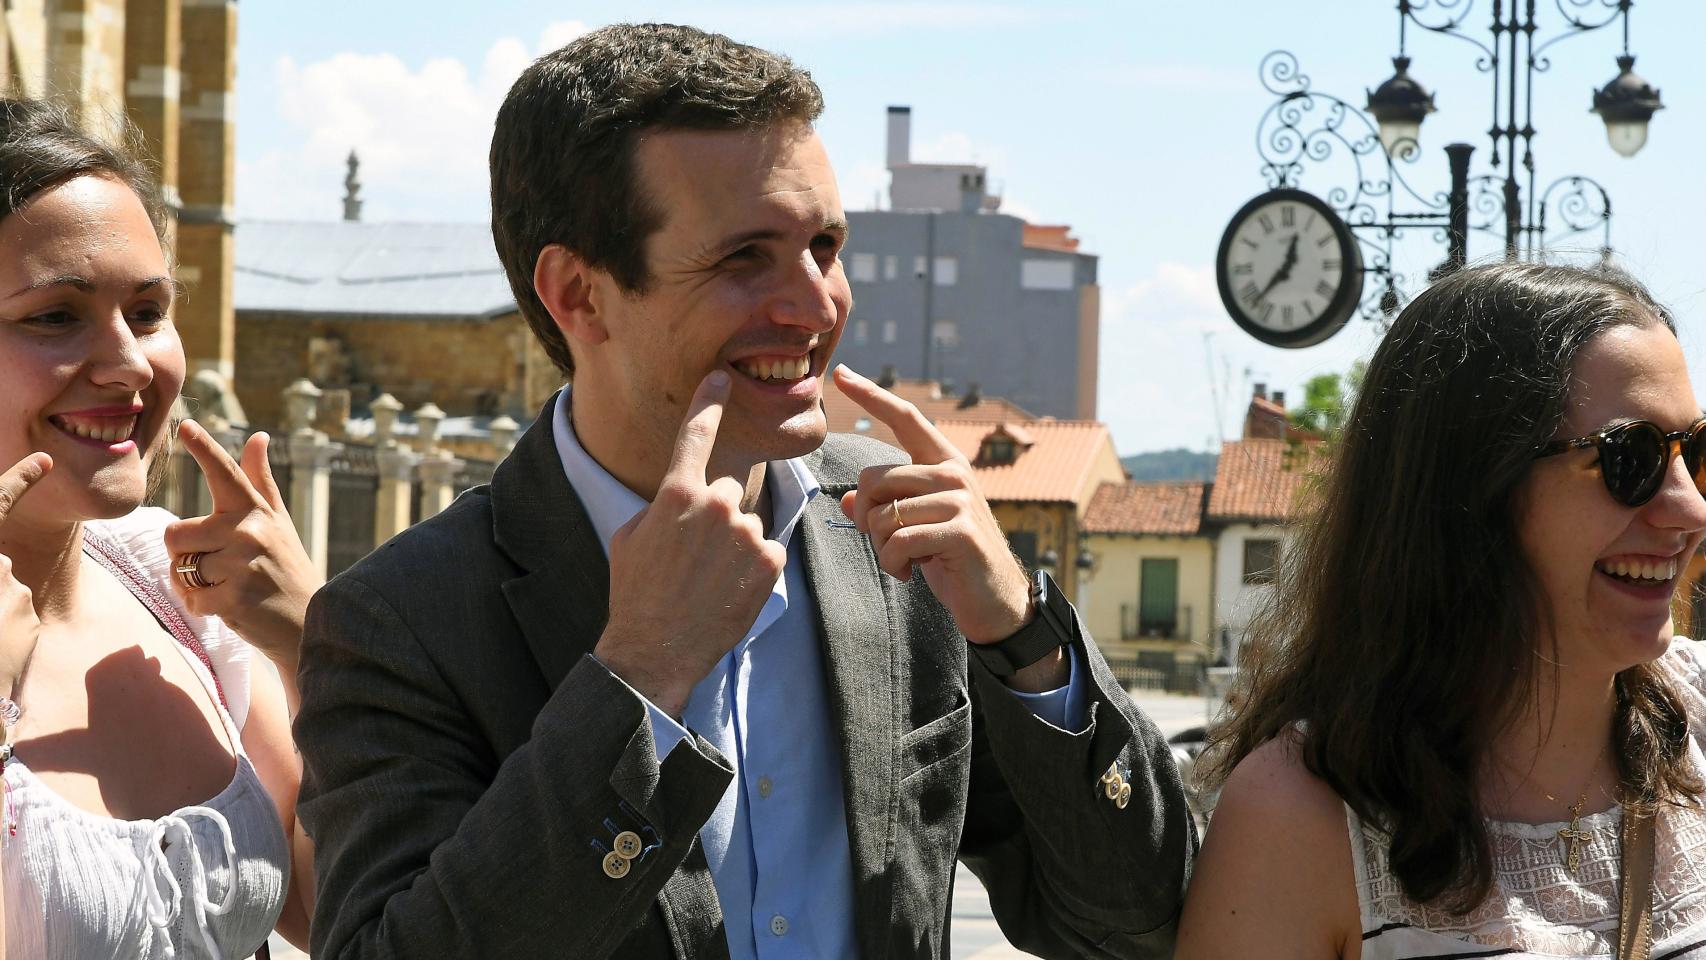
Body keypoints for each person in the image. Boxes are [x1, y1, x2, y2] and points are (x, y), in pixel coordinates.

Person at [294, 22, 1194, 960]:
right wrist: (635, 679)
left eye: (826, 246)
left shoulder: (902, 546)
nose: (815, 307)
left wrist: (1023, 638)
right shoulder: (400, 625)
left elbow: (1139, 921)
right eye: (743, 259)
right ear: (578, 294)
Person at [1175, 261, 1706, 959]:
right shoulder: (1301, 816)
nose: (1691, 508)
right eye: (1629, 457)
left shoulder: (1698, 714)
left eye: (1694, 451)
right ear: (1472, 493)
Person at [0, 99, 320, 957]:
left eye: (147, 311)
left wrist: (313, 656)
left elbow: (342, 913)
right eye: (55, 316)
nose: (131, 364)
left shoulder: (171, 586)